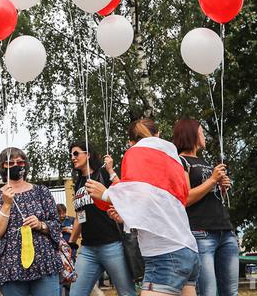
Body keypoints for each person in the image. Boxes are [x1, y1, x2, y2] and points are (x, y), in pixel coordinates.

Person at [86, 119, 200, 296]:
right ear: (158, 134)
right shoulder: (174, 160)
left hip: (165, 253)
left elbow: (137, 190)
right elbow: (163, 203)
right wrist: (126, 216)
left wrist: (106, 194)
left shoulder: (135, 153)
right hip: (188, 249)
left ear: (130, 142)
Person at [0, 147, 62, 296]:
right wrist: (6, 205)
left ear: (25, 165)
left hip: (43, 264)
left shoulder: (42, 192)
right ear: (2, 167)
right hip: (11, 268)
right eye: (10, 163)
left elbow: (57, 225)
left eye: (20, 162)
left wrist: (41, 225)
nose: (16, 165)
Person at [174, 119, 237, 296]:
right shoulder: (180, 161)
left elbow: (211, 197)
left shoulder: (204, 161)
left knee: (230, 292)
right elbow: (184, 198)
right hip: (201, 233)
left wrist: (221, 188)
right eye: (201, 132)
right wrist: (212, 180)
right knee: (208, 292)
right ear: (191, 134)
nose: (204, 136)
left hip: (225, 230)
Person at [67, 142, 136, 296]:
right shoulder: (78, 183)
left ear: (88, 155)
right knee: (75, 293)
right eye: (71, 154)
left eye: (76, 153)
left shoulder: (103, 174)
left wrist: (111, 170)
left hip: (111, 245)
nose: (73, 157)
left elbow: (124, 193)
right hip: (87, 249)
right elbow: (80, 216)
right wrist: (71, 243)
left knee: (126, 293)